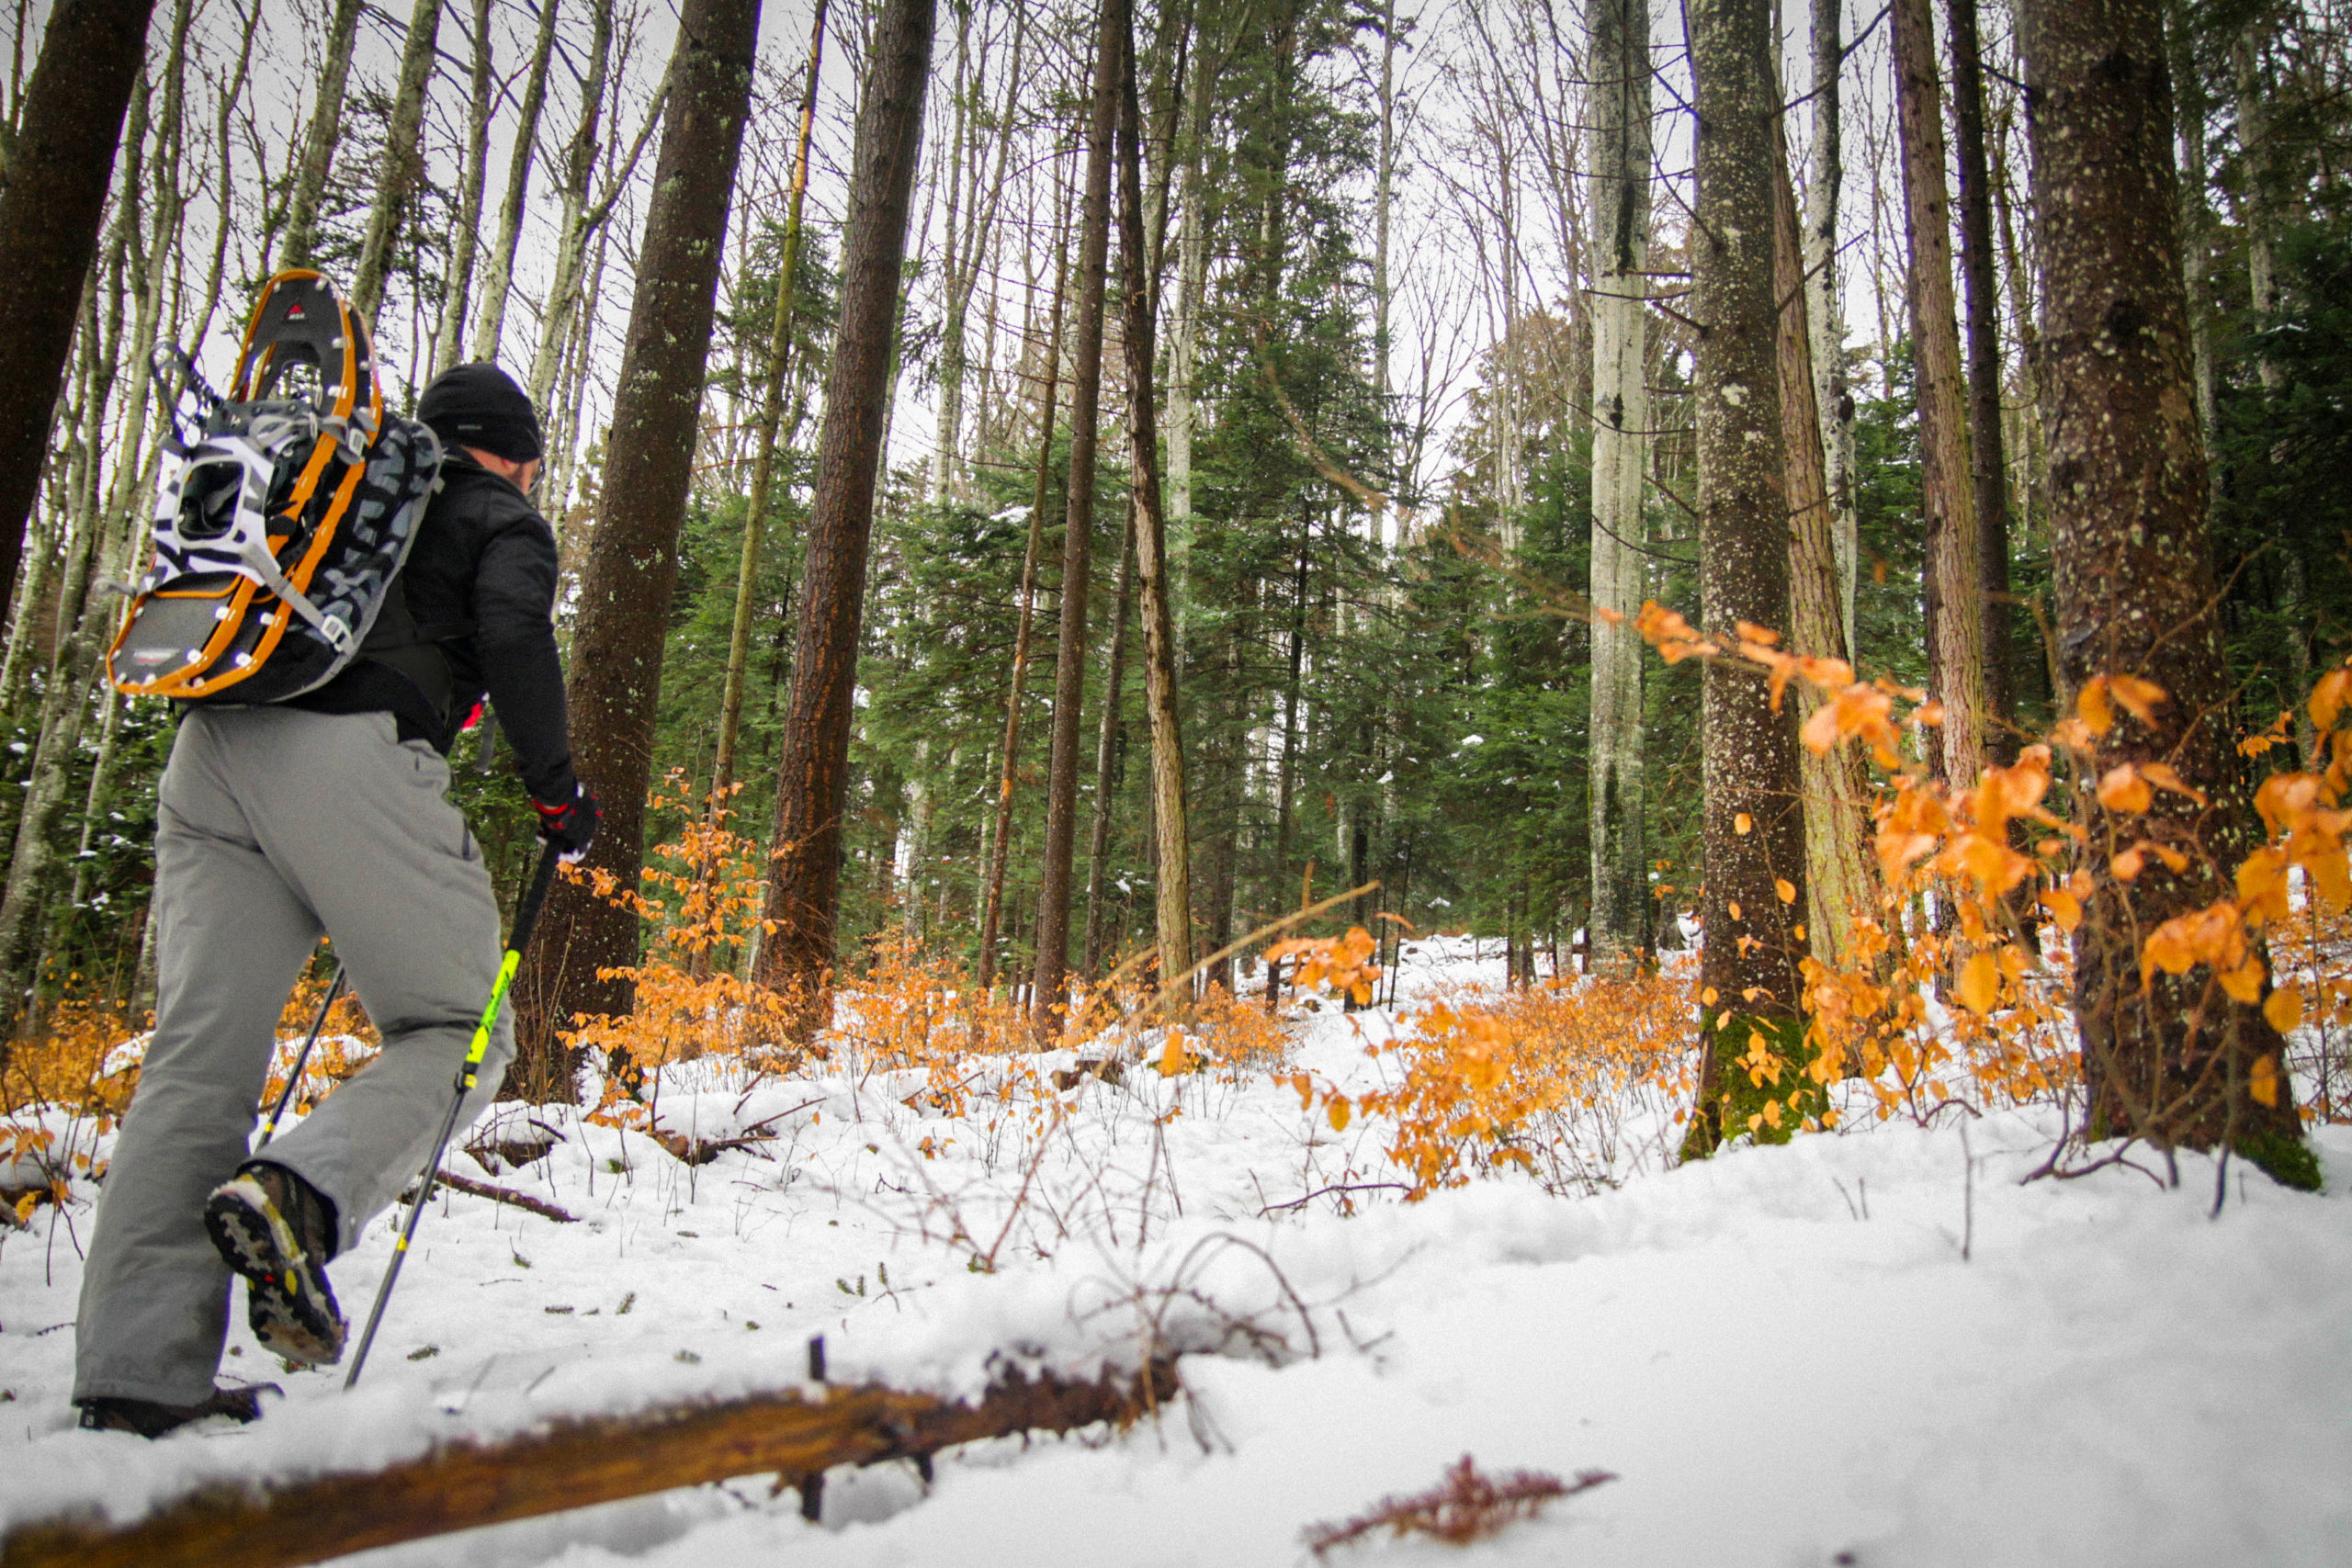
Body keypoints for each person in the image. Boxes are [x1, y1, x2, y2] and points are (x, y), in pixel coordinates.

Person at [71, 364, 598, 1437]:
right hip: (350, 759)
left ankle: (137, 1376)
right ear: (509, 451)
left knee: (195, 1062)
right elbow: (512, 633)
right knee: (461, 1028)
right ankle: (299, 1196)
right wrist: (557, 791)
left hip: (210, 748)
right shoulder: (499, 514)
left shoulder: (328, 491)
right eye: (532, 462)